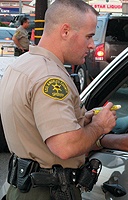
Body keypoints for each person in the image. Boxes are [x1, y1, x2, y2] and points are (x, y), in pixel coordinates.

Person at [0, 0, 117, 199]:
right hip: (48, 192)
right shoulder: (50, 78)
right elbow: (65, 146)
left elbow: (33, 125)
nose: (91, 44)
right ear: (65, 31)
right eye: (89, 36)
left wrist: (82, 119)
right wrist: (99, 126)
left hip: (22, 186)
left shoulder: (22, 64)